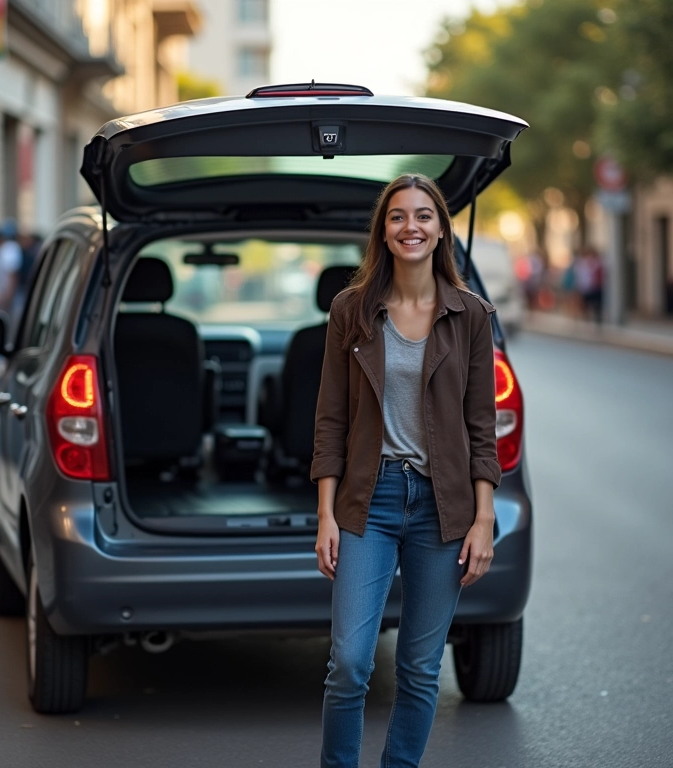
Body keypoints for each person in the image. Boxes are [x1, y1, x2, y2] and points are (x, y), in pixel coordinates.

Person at [312, 173, 501, 768]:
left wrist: (483, 519)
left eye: (423, 215)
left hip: (444, 507)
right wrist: (325, 515)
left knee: (420, 667)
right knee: (349, 663)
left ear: (441, 229)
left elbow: (482, 427)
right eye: (397, 216)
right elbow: (330, 420)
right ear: (383, 231)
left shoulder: (471, 315)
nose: (410, 226)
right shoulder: (351, 310)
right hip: (369, 499)